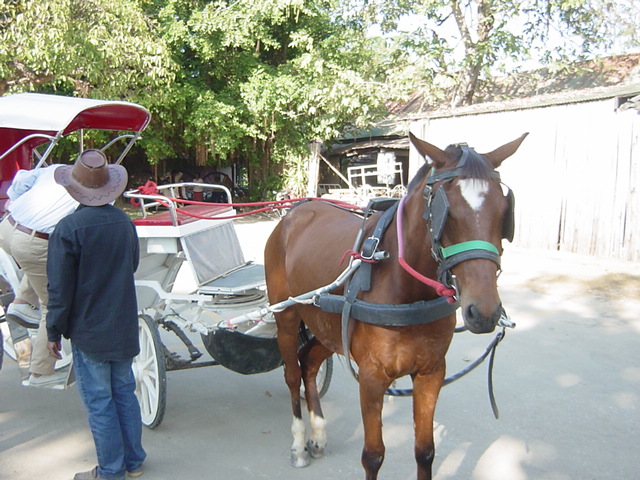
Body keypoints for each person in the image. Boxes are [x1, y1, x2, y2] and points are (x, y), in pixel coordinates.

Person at [46, 149, 146, 480]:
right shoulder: (124, 223)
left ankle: (110, 471)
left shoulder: (67, 229)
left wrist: (52, 332)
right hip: (122, 325)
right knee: (124, 395)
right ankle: (133, 463)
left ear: (73, 188)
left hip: (89, 331)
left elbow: (59, 289)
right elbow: (131, 266)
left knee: (101, 403)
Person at [0, 163, 79, 385]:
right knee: (51, 303)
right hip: (33, 242)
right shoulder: (98, 195)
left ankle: (22, 300)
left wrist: (14, 200)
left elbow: (21, 179)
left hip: (8, 226)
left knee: (39, 265)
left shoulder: (55, 169)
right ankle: (40, 372)